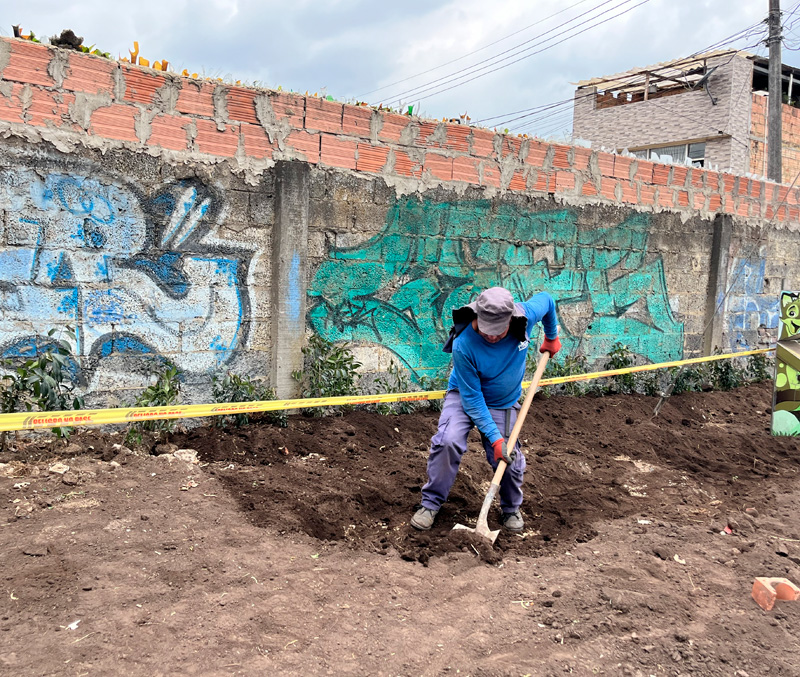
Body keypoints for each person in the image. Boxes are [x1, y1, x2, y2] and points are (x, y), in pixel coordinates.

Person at [410, 287, 561, 533]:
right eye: (486, 329)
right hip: (465, 395)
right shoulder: (464, 344)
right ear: (477, 316)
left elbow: (548, 300)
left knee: (509, 457)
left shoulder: (525, 316)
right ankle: (430, 504)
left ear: (511, 320)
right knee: (448, 441)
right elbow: (472, 399)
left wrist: (552, 337)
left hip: (503, 401)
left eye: (498, 331)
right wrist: (494, 437)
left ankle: (511, 508)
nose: (491, 336)